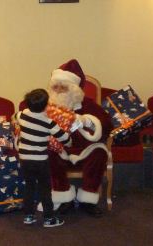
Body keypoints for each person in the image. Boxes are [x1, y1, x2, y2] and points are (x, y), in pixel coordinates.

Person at [45, 59, 113, 218]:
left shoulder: (88, 105)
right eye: (56, 86)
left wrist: (87, 121)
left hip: (85, 150)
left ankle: (88, 200)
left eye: (64, 86)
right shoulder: (47, 105)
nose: (60, 90)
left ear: (74, 89)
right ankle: (64, 198)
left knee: (100, 153)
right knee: (49, 153)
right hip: (60, 149)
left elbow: (107, 124)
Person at [15, 88, 71, 227]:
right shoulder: (48, 122)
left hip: (24, 159)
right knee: (45, 189)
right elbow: (65, 138)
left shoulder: (21, 115)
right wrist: (69, 140)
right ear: (46, 105)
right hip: (40, 160)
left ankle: (28, 215)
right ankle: (48, 218)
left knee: (29, 187)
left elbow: (14, 117)